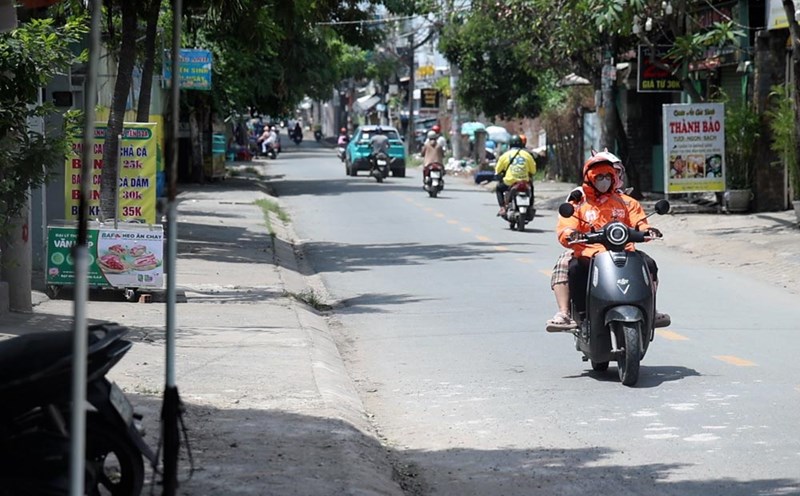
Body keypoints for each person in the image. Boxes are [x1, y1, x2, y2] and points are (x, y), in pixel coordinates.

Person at [546, 152, 669, 330]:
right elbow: (567, 226)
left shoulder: (625, 202)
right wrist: (571, 234)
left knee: (649, 264)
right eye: (599, 177)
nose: (605, 180)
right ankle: (569, 313)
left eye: (608, 176)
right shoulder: (578, 201)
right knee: (572, 268)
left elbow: (639, 222)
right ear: (590, 178)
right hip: (589, 253)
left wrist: (646, 231)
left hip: (623, 251)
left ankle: (649, 309)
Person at [494, 134, 537, 216]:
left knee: (498, 188)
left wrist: (497, 175)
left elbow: (498, 170)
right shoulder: (527, 155)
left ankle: (502, 208)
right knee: (531, 188)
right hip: (524, 181)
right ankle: (531, 206)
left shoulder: (505, 155)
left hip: (510, 182)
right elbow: (533, 171)